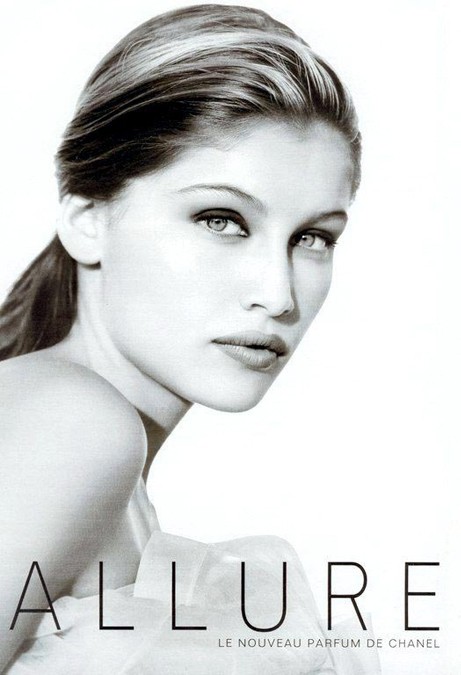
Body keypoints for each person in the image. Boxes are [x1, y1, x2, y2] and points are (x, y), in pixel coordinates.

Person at [0, 4, 378, 673]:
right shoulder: (72, 423)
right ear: (87, 218)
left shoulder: (87, 456)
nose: (278, 294)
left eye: (313, 238)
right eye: (220, 219)